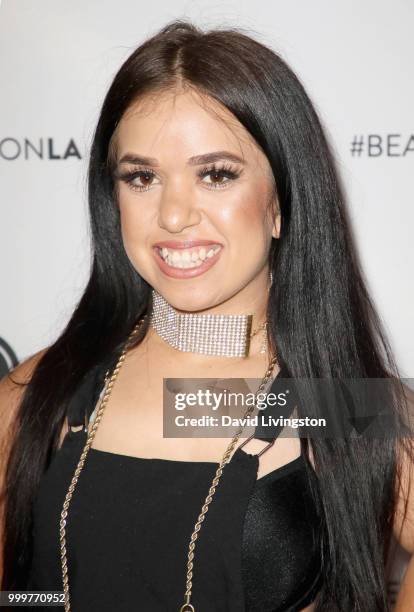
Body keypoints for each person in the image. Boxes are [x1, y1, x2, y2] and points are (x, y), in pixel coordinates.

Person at [0, 19, 413, 612]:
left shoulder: (335, 403)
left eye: (216, 175)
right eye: (141, 177)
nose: (172, 215)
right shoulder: (41, 392)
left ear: (281, 201)